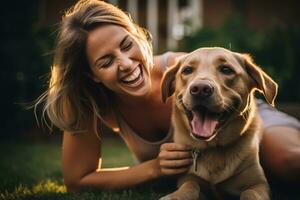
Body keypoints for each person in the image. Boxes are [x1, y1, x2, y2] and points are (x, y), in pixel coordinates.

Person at [36, 0, 300, 192]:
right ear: (91, 74)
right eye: (106, 61)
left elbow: (231, 81)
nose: (126, 63)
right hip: (200, 171)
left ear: (139, 36)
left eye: (127, 45)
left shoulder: (186, 70)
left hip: (244, 115)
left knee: (287, 161)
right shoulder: (87, 101)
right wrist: (154, 169)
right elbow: (77, 181)